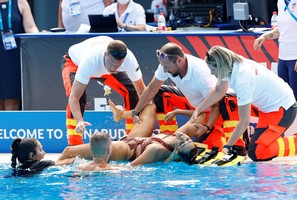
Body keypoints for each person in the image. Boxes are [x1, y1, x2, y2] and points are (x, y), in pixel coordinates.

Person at [130, 42, 246, 152]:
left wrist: (206, 127)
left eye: (167, 67)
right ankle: (167, 137)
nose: (165, 70)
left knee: (208, 146)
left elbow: (216, 107)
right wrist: (136, 112)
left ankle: (237, 145)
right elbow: (151, 88)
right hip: (194, 105)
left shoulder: (201, 75)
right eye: (163, 66)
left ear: (179, 61)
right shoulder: (167, 63)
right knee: (161, 93)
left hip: (216, 109)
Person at [192, 46, 297, 161]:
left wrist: (227, 146)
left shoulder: (242, 80)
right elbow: (219, 91)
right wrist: (198, 109)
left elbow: (244, 121)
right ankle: (238, 146)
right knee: (228, 100)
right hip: (266, 107)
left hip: (282, 110)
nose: (211, 73)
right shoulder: (230, 63)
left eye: (213, 70)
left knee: (257, 153)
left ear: (220, 66)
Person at [62, 36, 146, 146]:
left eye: (118, 65)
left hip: (100, 68)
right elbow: (74, 97)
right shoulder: (90, 60)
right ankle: (74, 145)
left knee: (132, 91)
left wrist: (138, 113)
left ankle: (131, 138)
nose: (113, 68)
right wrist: (79, 121)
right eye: (111, 64)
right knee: (79, 96)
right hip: (74, 63)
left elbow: (142, 91)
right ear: (105, 54)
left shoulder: (129, 59)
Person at [56, 103, 199, 166]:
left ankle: (58, 164)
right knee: (150, 107)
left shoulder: (158, 150)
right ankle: (121, 114)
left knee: (69, 151)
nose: (182, 137)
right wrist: (177, 111)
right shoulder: (179, 135)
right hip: (137, 138)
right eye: (187, 139)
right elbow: (199, 114)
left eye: (182, 143)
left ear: (176, 151)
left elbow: (132, 167)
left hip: (123, 148)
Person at [253, 0, 297, 111]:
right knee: (286, 102)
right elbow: (281, 30)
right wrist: (264, 36)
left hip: (296, 59)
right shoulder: (281, 2)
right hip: (283, 59)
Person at [0, 0, 39, 110]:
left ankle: (9, 126)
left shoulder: (20, 2)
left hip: (14, 58)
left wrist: (40, 36)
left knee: (12, 100)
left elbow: (31, 28)